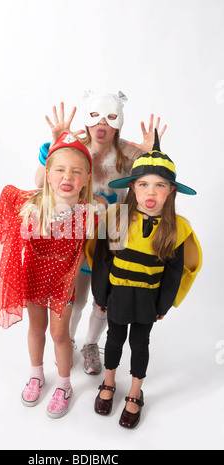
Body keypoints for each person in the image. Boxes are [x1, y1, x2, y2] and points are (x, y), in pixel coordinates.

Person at [35, 90, 167, 376]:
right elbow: (39, 182)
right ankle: (67, 340)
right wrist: (57, 142)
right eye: (95, 116)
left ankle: (91, 344)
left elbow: (153, 185)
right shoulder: (75, 146)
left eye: (110, 117)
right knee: (77, 297)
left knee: (104, 300)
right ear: (87, 120)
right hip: (77, 228)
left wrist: (150, 155)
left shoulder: (130, 152)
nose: (102, 123)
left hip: (115, 226)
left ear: (119, 122)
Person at [87, 130, 202, 428]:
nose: (151, 193)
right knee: (114, 340)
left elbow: (175, 272)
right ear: (133, 188)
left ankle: (135, 391)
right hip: (118, 296)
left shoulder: (178, 230)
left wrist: (163, 305)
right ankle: (109, 382)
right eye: (143, 185)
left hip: (147, 300)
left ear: (170, 191)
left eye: (159, 185)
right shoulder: (115, 218)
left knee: (140, 344)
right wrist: (101, 297)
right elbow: (102, 261)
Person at [0, 133, 103, 419]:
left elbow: (88, 251)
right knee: (36, 329)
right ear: (49, 176)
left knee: (59, 334)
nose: (68, 176)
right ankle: (36, 374)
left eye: (76, 171)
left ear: (87, 178)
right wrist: (52, 147)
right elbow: (9, 198)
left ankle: (64, 384)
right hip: (34, 279)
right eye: (60, 170)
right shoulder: (32, 205)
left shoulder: (91, 212)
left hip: (64, 284)